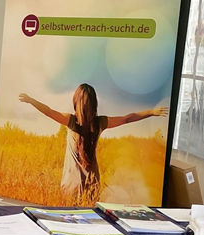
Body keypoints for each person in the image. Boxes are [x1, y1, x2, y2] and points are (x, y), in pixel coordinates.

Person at [18, 84, 169, 202]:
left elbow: (49, 111)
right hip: (93, 185)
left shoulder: (71, 121)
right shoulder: (100, 123)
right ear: (95, 103)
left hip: (70, 186)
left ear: (76, 102)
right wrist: (151, 112)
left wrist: (31, 100)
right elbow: (126, 119)